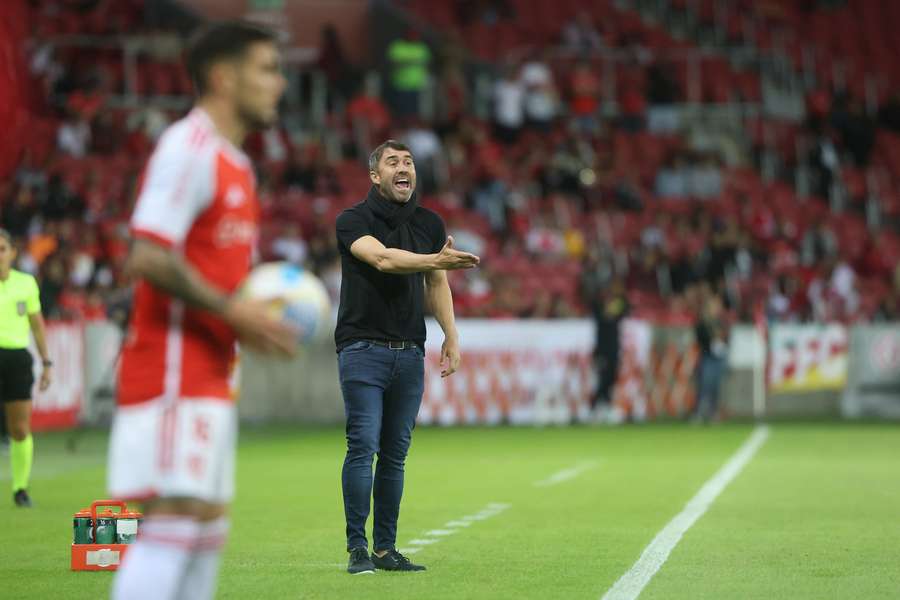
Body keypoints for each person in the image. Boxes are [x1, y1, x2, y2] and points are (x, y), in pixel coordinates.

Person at [106, 21, 297, 600]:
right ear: (223, 76)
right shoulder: (187, 149)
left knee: (207, 522)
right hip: (170, 370)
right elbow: (147, 254)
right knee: (174, 519)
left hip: (212, 375)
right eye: (267, 69)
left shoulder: (235, 163)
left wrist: (242, 318)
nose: (280, 84)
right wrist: (233, 313)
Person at [334, 140, 479, 574]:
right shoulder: (352, 220)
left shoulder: (430, 222)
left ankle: (385, 549)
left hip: (409, 352)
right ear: (375, 175)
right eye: (393, 162)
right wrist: (434, 259)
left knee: (395, 454)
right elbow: (381, 259)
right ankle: (357, 549)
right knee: (363, 446)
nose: (404, 168)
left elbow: (436, 283)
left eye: (409, 162)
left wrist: (451, 334)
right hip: (362, 348)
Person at [0, 229, 52, 507]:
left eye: (2, 249)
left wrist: (46, 362)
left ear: (12, 253)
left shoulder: (26, 283)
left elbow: (37, 326)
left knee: (19, 429)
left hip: (17, 359)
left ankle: (20, 488)